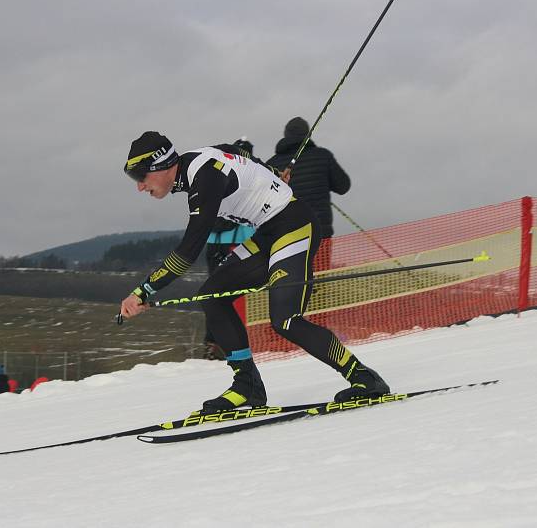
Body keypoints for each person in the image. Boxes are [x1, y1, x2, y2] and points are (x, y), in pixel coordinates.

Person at [119, 131, 389, 414]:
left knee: (285, 320)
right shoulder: (198, 162)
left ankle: (364, 378)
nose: (139, 187)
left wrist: (143, 290)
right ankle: (247, 386)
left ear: (161, 165)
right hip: (269, 232)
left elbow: (188, 251)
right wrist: (271, 172)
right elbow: (238, 152)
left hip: (294, 225)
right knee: (211, 296)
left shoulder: (204, 178)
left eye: (139, 177)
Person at [266, 117, 351, 269]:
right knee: (319, 280)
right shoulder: (323, 156)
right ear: (307, 135)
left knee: (293, 283)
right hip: (319, 233)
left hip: (285, 236)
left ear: (285, 135)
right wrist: (322, 181)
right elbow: (343, 186)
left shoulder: (272, 164)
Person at [201, 138, 256, 361]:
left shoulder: (217, 174)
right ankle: (234, 343)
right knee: (230, 296)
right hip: (236, 243)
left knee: (215, 294)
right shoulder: (246, 175)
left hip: (212, 243)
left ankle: (212, 343)